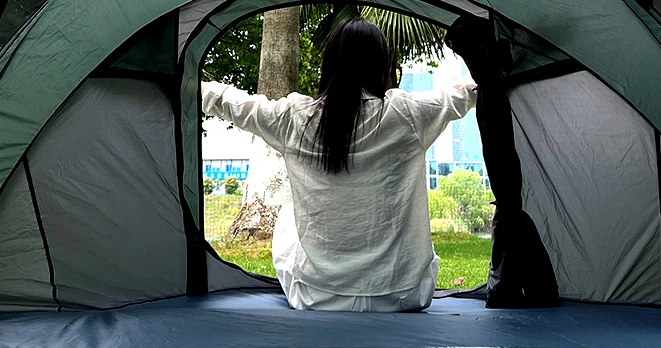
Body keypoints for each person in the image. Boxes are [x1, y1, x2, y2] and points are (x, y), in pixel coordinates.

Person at [201, 17, 478, 312]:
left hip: (314, 296)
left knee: (286, 217)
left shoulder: (294, 119)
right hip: (402, 294)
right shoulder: (406, 115)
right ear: (381, 66)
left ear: (329, 64)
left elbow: (232, 103)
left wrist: (190, 82)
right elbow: (466, 92)